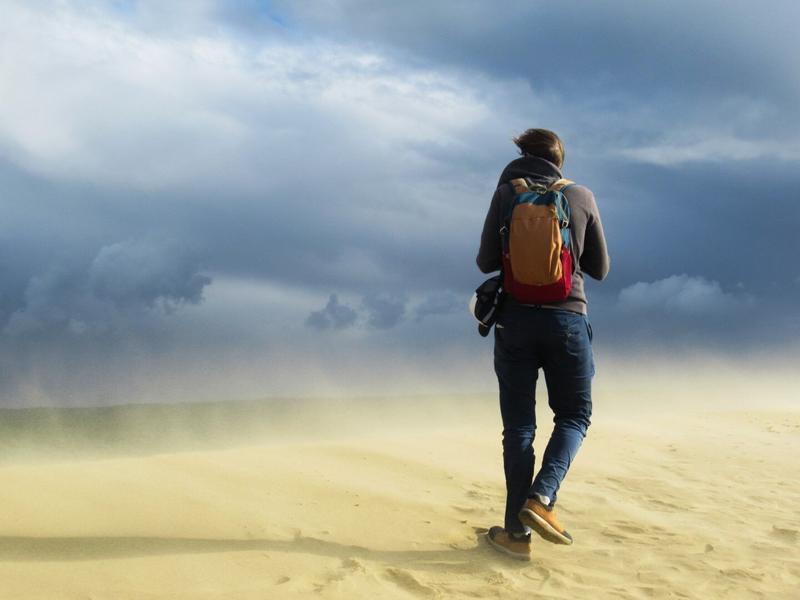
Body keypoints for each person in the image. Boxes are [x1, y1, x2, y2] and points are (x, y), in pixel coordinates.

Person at [477, 128, 610, 561]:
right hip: (566, 319)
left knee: (519, 428)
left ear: (522, 155)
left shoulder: (505, 194)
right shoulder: (581, 195)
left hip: (513, 322)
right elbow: (600, 268)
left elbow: (484, 261)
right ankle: (543, 498)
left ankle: (516, 534)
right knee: (574, 415)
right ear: (559, 161)